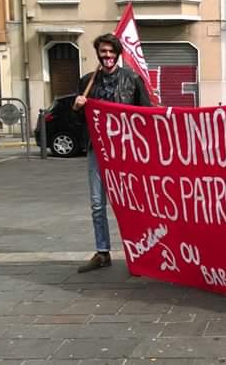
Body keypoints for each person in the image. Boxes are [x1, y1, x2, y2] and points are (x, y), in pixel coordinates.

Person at [73, 33, 152, 273]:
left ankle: (142, 255)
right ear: (98, 53)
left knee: (133, 205)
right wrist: (76, 108)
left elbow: (147, 116)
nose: (107, 56)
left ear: (118, 53)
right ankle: (102, 252)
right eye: (103, 51)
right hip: (97, 151)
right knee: (98, 204)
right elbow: (80, 121)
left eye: (111, 51)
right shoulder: (88, 81)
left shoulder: (132, 79)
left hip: (126, 153)